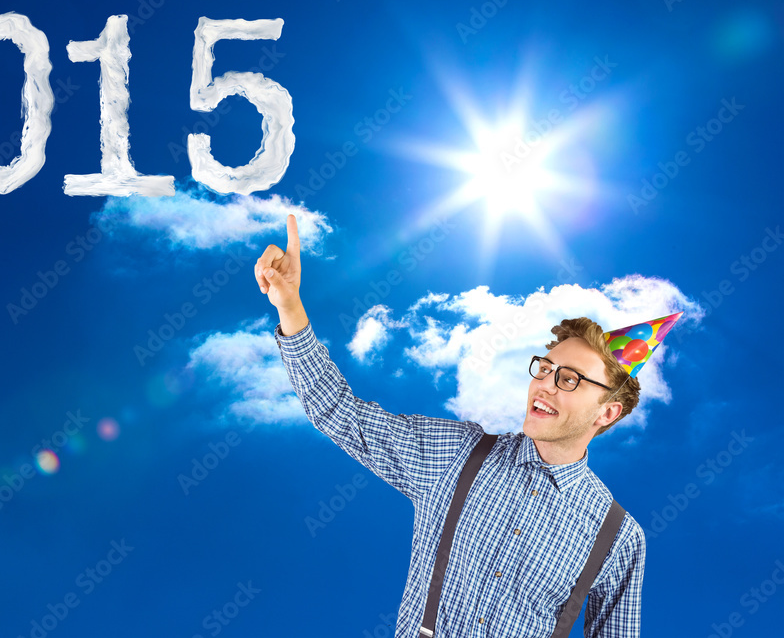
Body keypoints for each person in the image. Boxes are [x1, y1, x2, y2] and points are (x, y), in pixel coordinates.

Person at [255, 213, 649, 638]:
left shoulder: (619, 538)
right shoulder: (457, 453)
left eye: (569, 378)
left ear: (607, 412)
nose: (544, 385)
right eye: (545, 367)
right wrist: (290, 306)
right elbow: (339, 412)